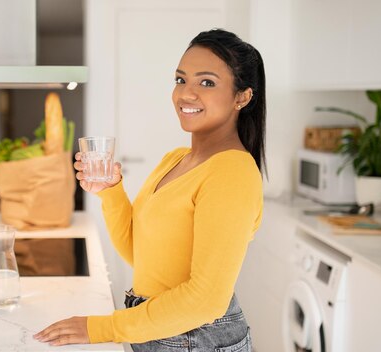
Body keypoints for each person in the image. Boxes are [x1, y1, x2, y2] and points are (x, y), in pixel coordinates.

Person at [33, 28, 266, 352]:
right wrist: (111, 191)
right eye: (181, 80)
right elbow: (141, 255)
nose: (186, 93)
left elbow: (206, 300)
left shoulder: (233, 172)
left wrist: (103, 327)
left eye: (207, 82)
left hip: (197, 338)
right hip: (158, 326)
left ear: (242, 96)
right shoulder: (177, 159)